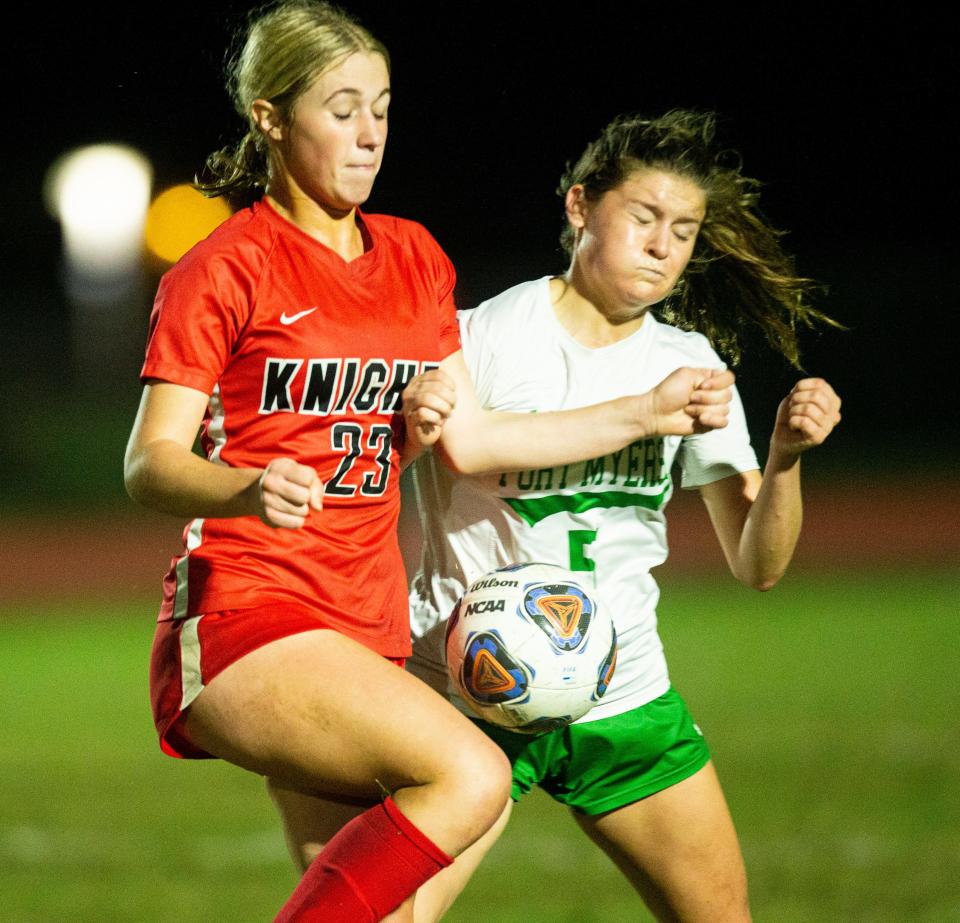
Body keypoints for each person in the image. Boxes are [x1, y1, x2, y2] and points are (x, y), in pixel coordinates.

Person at [123, 4, 737, 919]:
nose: (369, 133)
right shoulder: (224, 267)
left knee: (390, 914)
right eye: (341, 108)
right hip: (249, 609)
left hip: (364, 623)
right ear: (268, 116)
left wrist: (416, 424)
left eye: (381, 107)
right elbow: (148, 463)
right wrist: (247, 487)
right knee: (472, 770)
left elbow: (456, 436)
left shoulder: (414, 258)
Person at [398, 110, 842, 921]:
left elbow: (760, 562)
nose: (663, 245)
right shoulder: (483, 338)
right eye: (643, 217)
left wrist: (784, 458)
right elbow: (454, 450)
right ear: (578, 208)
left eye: (683, 229)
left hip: (625, 691)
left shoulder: (692, 365)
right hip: (470, 695)